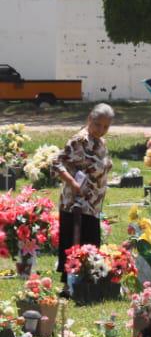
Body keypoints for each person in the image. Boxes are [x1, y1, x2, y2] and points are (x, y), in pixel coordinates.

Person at [53, 103, 114, 291]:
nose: (101, 130)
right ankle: (68, 286)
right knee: (72, 243)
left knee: (91, 243)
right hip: (76, 203)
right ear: (89, 119)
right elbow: (57, 163)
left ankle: (88, 283)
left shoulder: (101, 142)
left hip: (93, 204)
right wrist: (72, 182)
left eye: (106, 126)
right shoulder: (78, 141)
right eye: (98, 125)